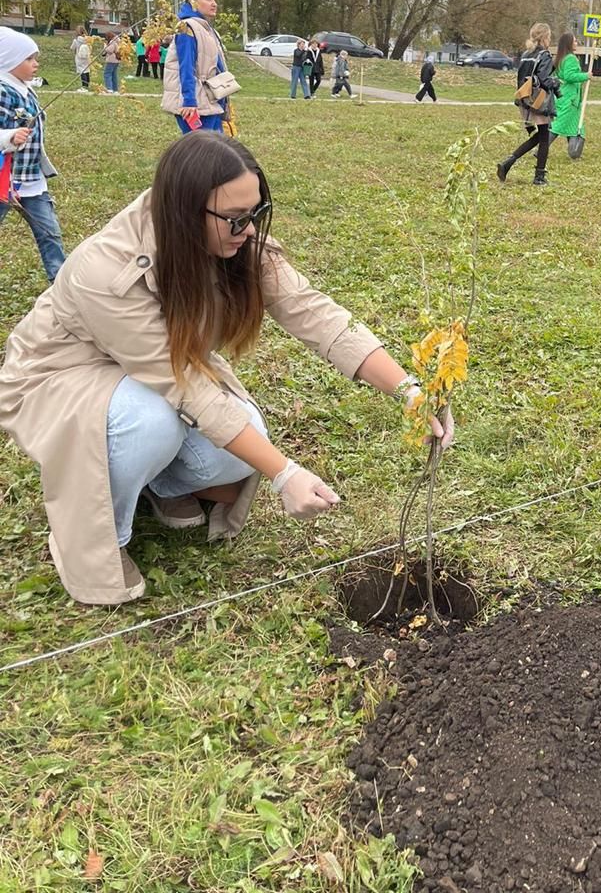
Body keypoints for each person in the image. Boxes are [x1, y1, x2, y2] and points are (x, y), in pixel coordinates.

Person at [0, 132, 454, 605]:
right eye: (236, 219)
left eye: (256, 213)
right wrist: (285, 474)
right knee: (149, 421)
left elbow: (314, 313)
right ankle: (98, 536)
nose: (250, 230)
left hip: (151, 374)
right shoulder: (104, 271)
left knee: (243, 435)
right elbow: (186, 387)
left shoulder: (235, 237)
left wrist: (410, 391)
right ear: (184, 212)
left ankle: (157, 486)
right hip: (62, 376)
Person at [0, 29, 67, 282]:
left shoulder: (26, 88)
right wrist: (8, 137)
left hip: (31, 179)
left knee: (49, 232)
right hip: (5, 181)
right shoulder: (3, 91)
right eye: (29, 59)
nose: (35, 63)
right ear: (8, 60)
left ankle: (60, 283)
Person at [161, 0, 235, 134]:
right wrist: (189, 101)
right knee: (201, 153)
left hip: (210, 100)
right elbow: (186, 66)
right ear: (192, 1)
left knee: (217, 151)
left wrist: (223, 98)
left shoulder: (206, 29)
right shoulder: (186, 28)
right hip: (195, 104)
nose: (214, 4)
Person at [496, 22, 559, 186]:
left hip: (525, 100)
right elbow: (544, 80)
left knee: (539, 136)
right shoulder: (544, 55)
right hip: (539, 101)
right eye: (549, 37)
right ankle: (539, 177)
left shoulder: (525, 54)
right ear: (545, 37)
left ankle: (508, 162)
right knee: (544, 138)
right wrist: (556, 83)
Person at [550, 31, 590, 145]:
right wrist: (586, 76)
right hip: (569, 97)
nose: (577, 43)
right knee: (558, 125)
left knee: (571, 122)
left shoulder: (560, 58)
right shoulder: (571, 58)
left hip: (562, 95)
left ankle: (574, 150)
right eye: (575, 41)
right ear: (569, 43)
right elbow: (569, 76)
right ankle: (541, 149)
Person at [72, 26, 92, 92]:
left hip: (79, 56)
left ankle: (84, 86)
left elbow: (72, 48)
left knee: (82, 71)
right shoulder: (87, 39)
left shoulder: (76, 40)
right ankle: (87, 84)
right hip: (87, 56)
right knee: (86, 70)